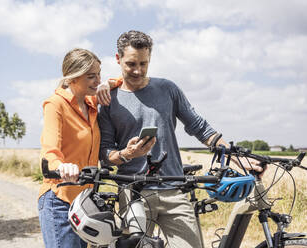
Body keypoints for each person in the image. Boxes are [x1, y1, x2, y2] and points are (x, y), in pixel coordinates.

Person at [98, 30, 263, 248]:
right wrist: (127, 154)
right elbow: (106, 155)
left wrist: (236, 158)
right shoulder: (109, 100)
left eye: (143, 63)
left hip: (174, 189)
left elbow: (201, 128)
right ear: (118, 59)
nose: (137, 70)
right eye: (131, 64)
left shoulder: (168, 89)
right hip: (133, 192)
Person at [38, 48, 123, 248]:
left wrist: (107, 84)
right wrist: (61, 166)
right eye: (91, 76)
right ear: (73, 78)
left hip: (86, 201)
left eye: (99, 74)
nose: (97, 80)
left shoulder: (91, 101)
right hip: (60, 199)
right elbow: (50, 148)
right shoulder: (55, 104)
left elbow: (119, 79)